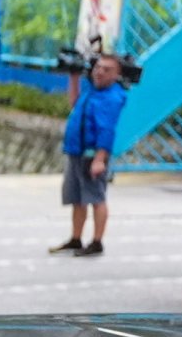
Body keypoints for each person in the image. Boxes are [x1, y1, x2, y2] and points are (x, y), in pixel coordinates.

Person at [51, 52, 127, 257]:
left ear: (116, 75)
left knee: (96, 198)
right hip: (76, 151)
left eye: (107, 69)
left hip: (92, 154)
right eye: (98, 67)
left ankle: (96, 241)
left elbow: (107, 131)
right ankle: (76, 238)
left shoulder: (112, 97)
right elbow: (75, 104)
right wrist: (73, 77)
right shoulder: (92, 90)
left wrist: (100, 159)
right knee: (77, 198)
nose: (100, 72)